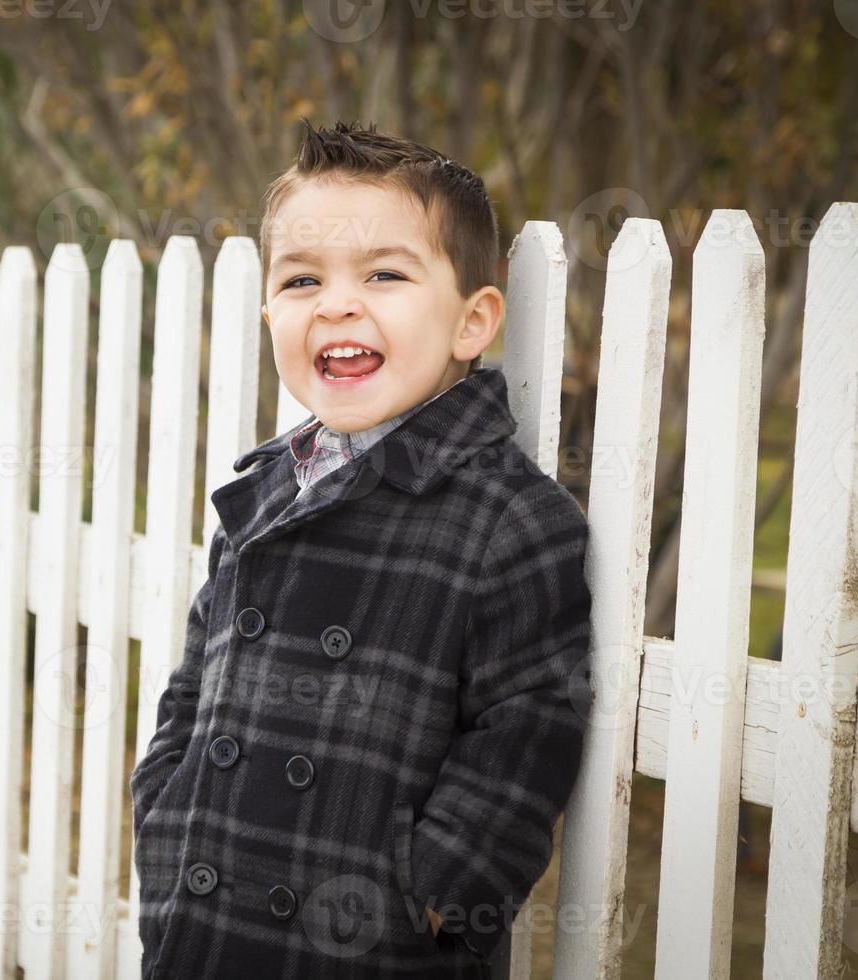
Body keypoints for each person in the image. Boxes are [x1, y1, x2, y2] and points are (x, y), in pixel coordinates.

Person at [130, 120, 595, 979]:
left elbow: (529, 724)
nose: (337, 303)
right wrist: (162, 812)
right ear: (270, 311)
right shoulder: (263, 490)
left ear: (472, 321)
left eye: (384, 274)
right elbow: (196, 681)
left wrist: (436, 891)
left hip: (371, 944)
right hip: (206, 917)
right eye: (302, 280)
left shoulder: (507, 516)